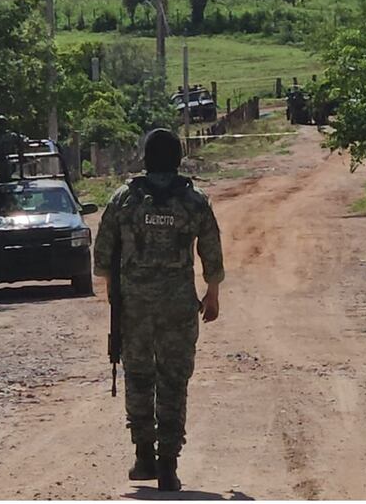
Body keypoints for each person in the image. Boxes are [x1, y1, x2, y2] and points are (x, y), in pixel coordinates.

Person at [93, 128, 224, 492]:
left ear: (146, 158)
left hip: (134, 307)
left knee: (138, 377)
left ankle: (143, 456)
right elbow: (211, 251)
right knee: (173, 380)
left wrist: (114, 295)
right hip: (178, 306)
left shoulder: (124, 200)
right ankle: (168, 464)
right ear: (178, 158)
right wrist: (212, 294)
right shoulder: (194, 201)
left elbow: (103, 257)